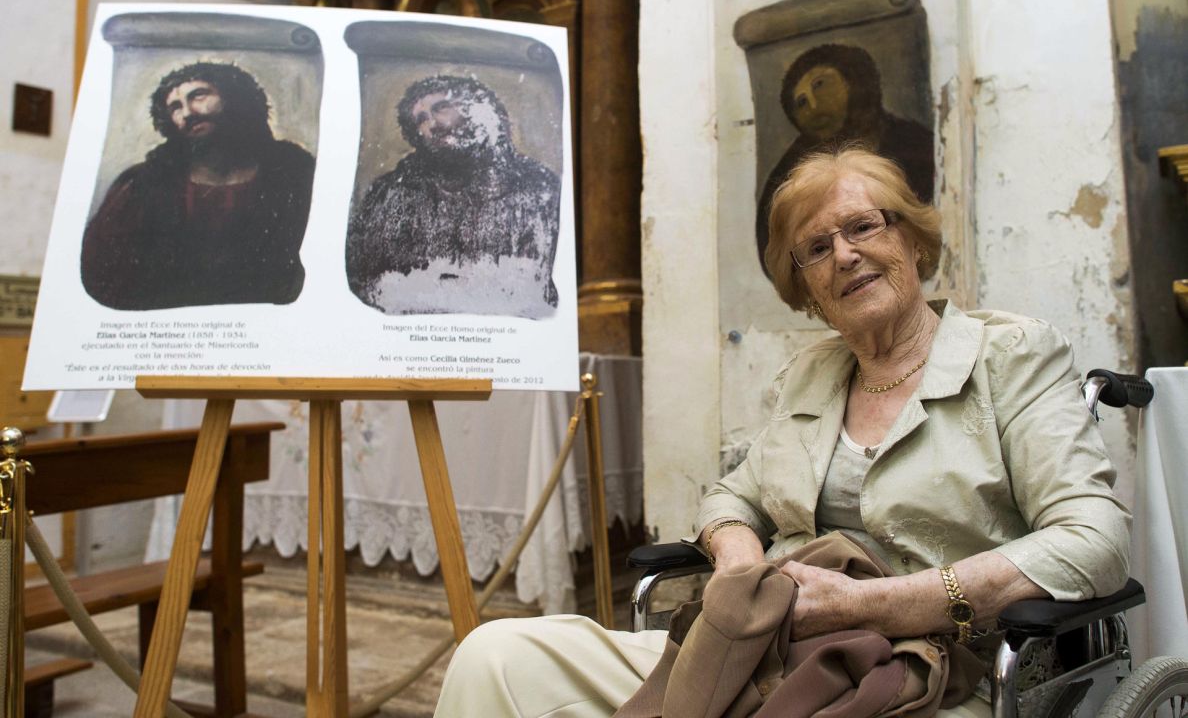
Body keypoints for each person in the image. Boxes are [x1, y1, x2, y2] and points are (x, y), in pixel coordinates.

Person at [433, 148, 1130, 717]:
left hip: (932, 673)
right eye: (816, 249)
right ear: (810, 292)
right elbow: (733, 496)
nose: (844, 255)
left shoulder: (1012, 356)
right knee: (496, 658)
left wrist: (875, 606)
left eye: (864, 227)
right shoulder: (810, 377)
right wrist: (740, 563)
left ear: (913, 242)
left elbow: (1094, 540)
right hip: (763, 653)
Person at [80, 61, 315, 310]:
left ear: (235, 96)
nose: (188, 113)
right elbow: (103, 271)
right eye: (175, 107)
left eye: (198, 95)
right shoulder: (142, 183)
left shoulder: (294, 171)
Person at [345, 74, 561, 319]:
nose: (432, 125)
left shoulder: (538, 185)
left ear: (478, 109)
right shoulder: (392, 191)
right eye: (421, 119)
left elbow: (541, 285)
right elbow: (367, 281)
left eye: (441, 108)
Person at [756, 44, 934, 275]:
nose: (813, 106)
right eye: (801, 102)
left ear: (854, 80)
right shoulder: (785, 177)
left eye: (819, 85)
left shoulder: (915, 143)